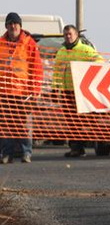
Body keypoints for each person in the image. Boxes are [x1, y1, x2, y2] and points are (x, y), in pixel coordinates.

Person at [52, 25, 103, 157]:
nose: (68, 37)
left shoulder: (85, 50)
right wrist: (54, 89)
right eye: (65, 34)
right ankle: (76, 148)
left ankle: (89, 143)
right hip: (67, 91)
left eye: (70, 34)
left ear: (76, 35)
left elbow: (100, 62)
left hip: (81, 92)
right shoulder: (62, 51)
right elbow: (57, 72)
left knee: (85, 120)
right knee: (70, 121)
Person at [0, 13, 43, 164]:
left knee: (24, 124)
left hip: (23, 93)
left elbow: (37, 69)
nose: (13, 26)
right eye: (10, 24)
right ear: (6, 26)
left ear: (20, 26)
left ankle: (26, 153)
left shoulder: (29, 43)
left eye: (15, 23)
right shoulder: (1, 43)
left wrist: (35, 90)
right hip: (4, 93)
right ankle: (7, 154)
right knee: (6, 125)